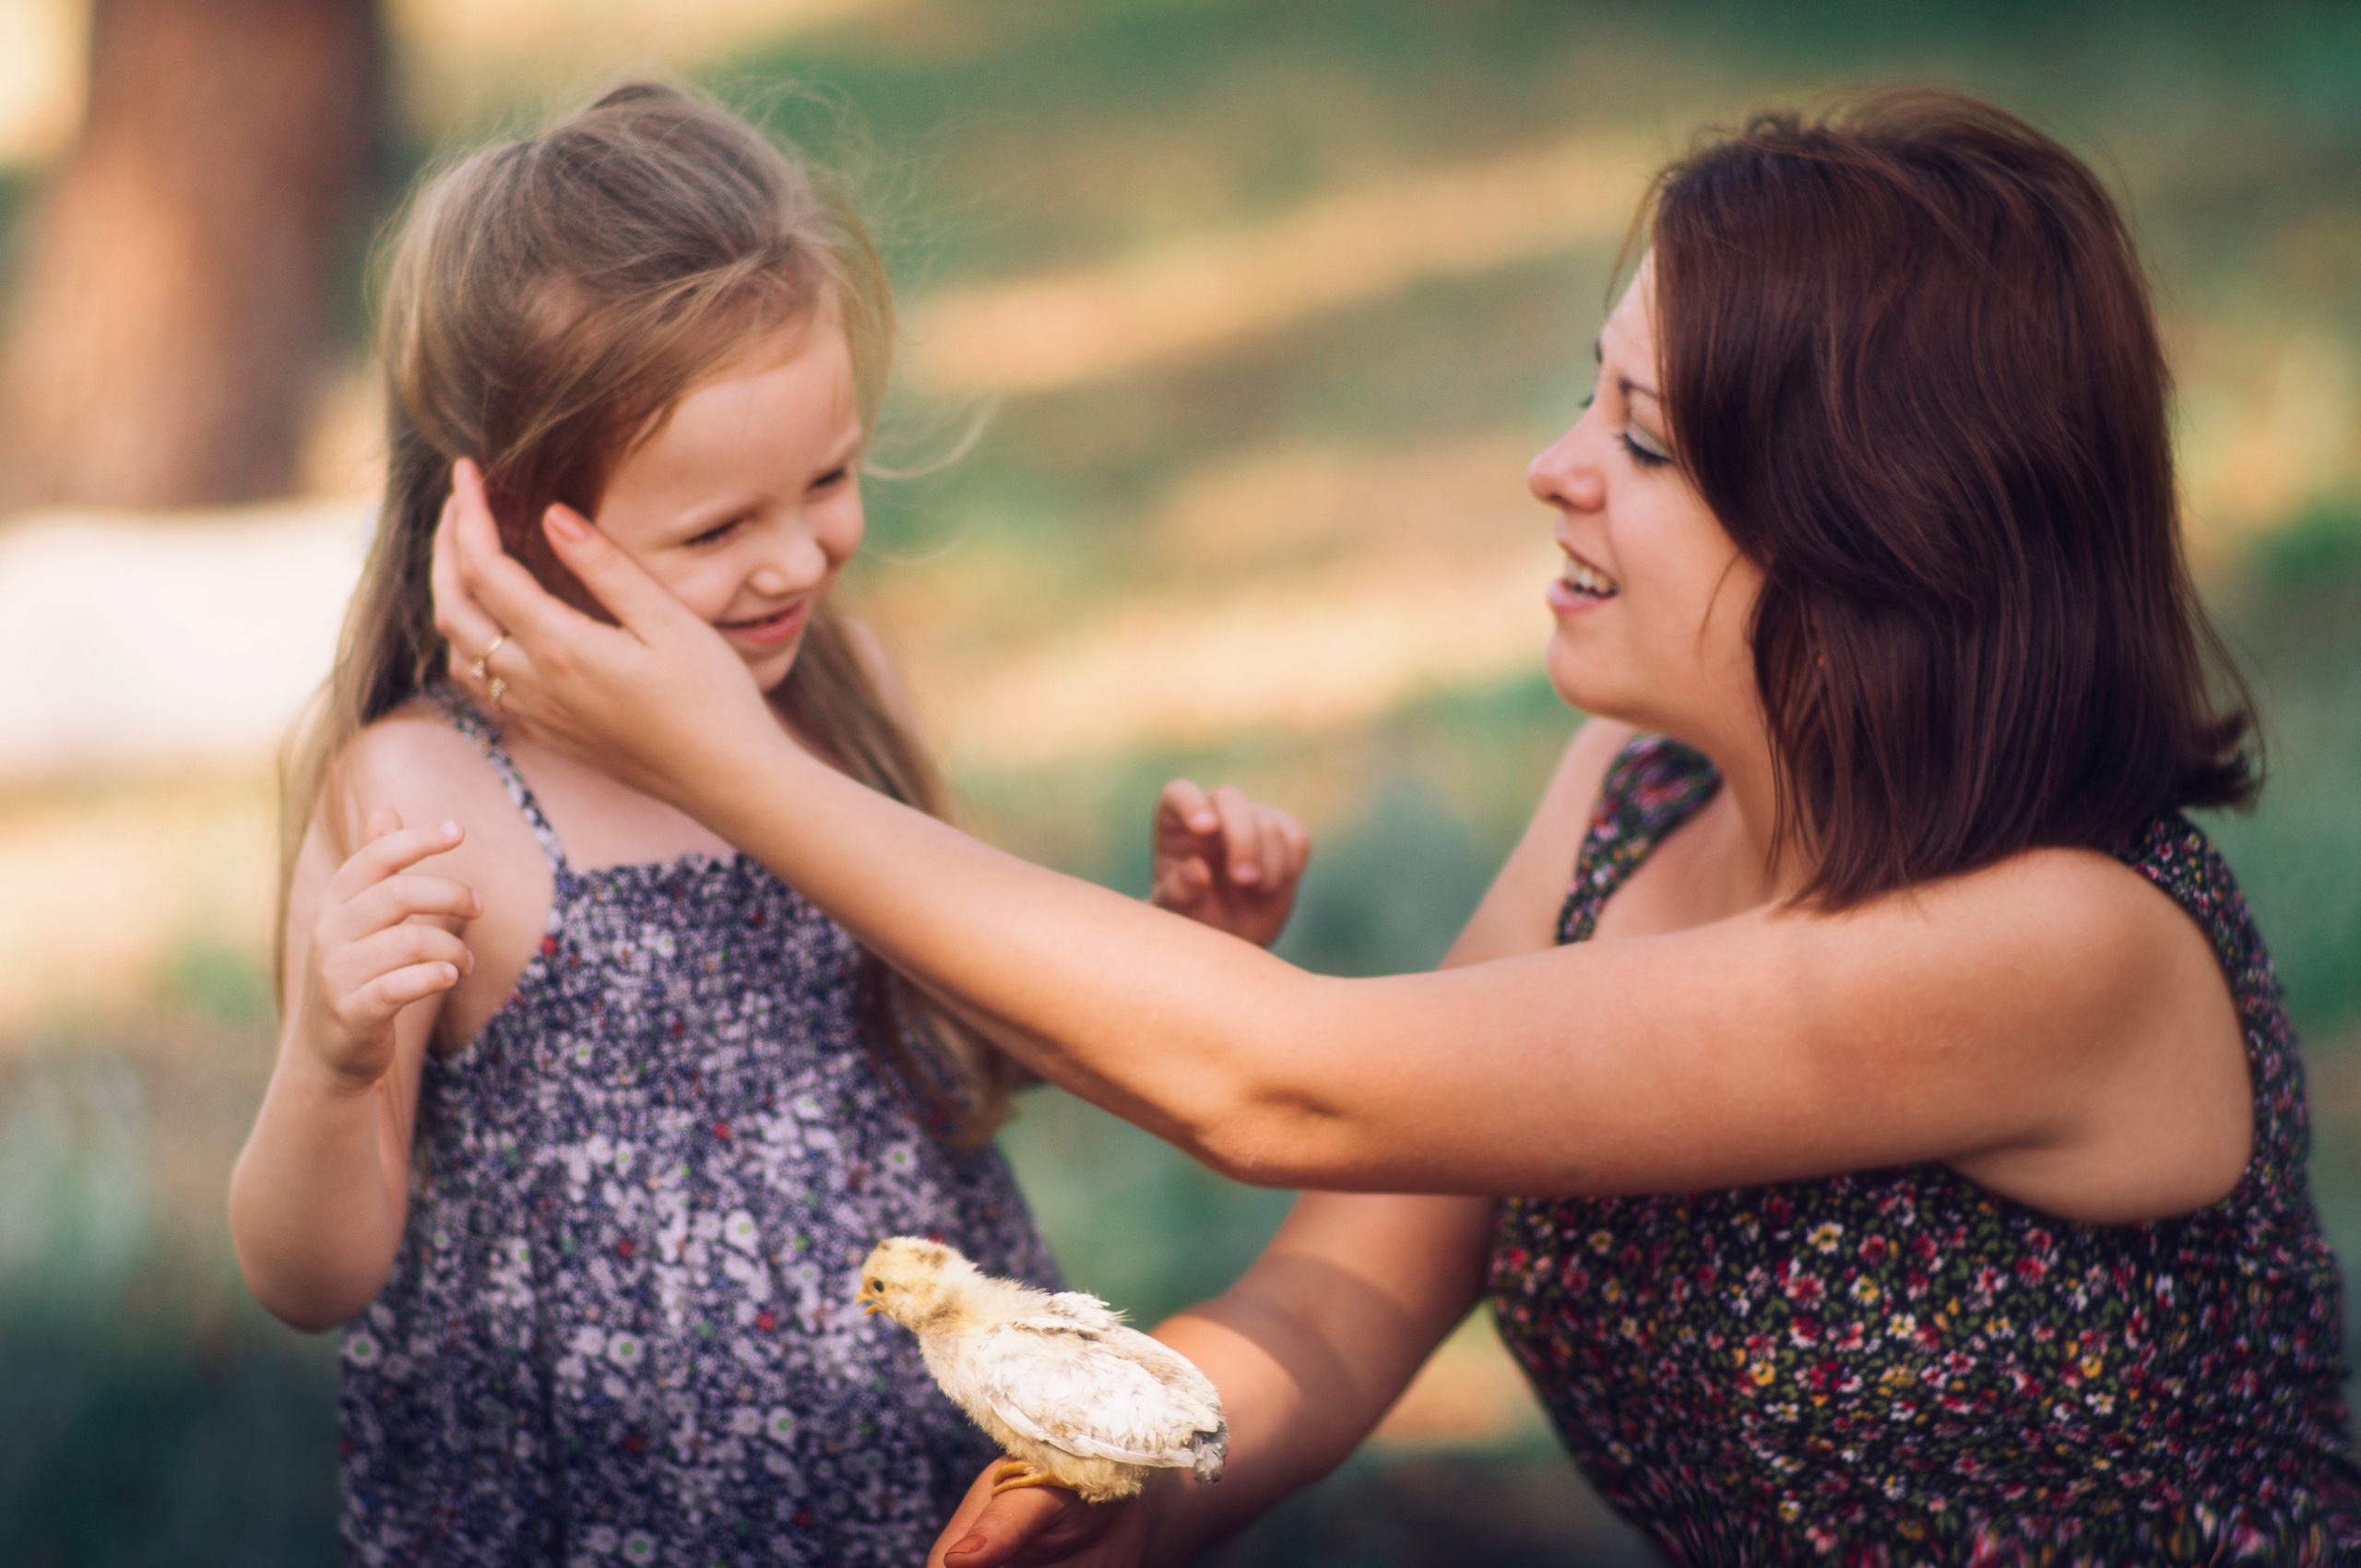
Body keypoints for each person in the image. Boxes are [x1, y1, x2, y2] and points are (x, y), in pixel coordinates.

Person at [429, 88, 2361, 1562]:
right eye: (1585, 400)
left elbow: (1298, 1089)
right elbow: (1348, 1278)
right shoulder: (1634, 793)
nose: (1552, 468)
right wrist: (1145, 1474)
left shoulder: (2058, 948)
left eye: (1647, 442)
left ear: (1884, 538)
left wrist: (737, 770)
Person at [225, 83, 1308, 1567]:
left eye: (831, 479)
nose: (800, 557)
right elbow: (312, 1274)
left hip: (906, 1472)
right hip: (600, 1509)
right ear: (515, 521)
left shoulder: (822, 700)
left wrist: (1179, 953)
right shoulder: (428, 800)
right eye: (719, 529)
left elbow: (949, 1045)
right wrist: (332, 1059)